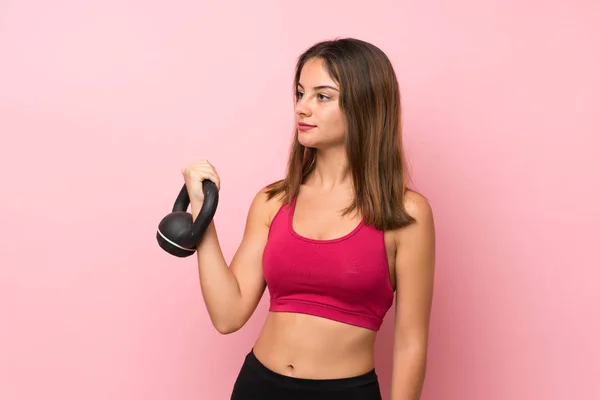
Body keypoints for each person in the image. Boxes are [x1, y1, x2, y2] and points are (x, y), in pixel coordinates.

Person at [181, 37, 436, 400]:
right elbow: (228, 314)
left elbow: (411, 343)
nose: (302, 108)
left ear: (365, 105)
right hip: (258, 386)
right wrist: (202, 213)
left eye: (322, 96)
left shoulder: (406, 214)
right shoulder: (273, 201)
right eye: (299, 94)